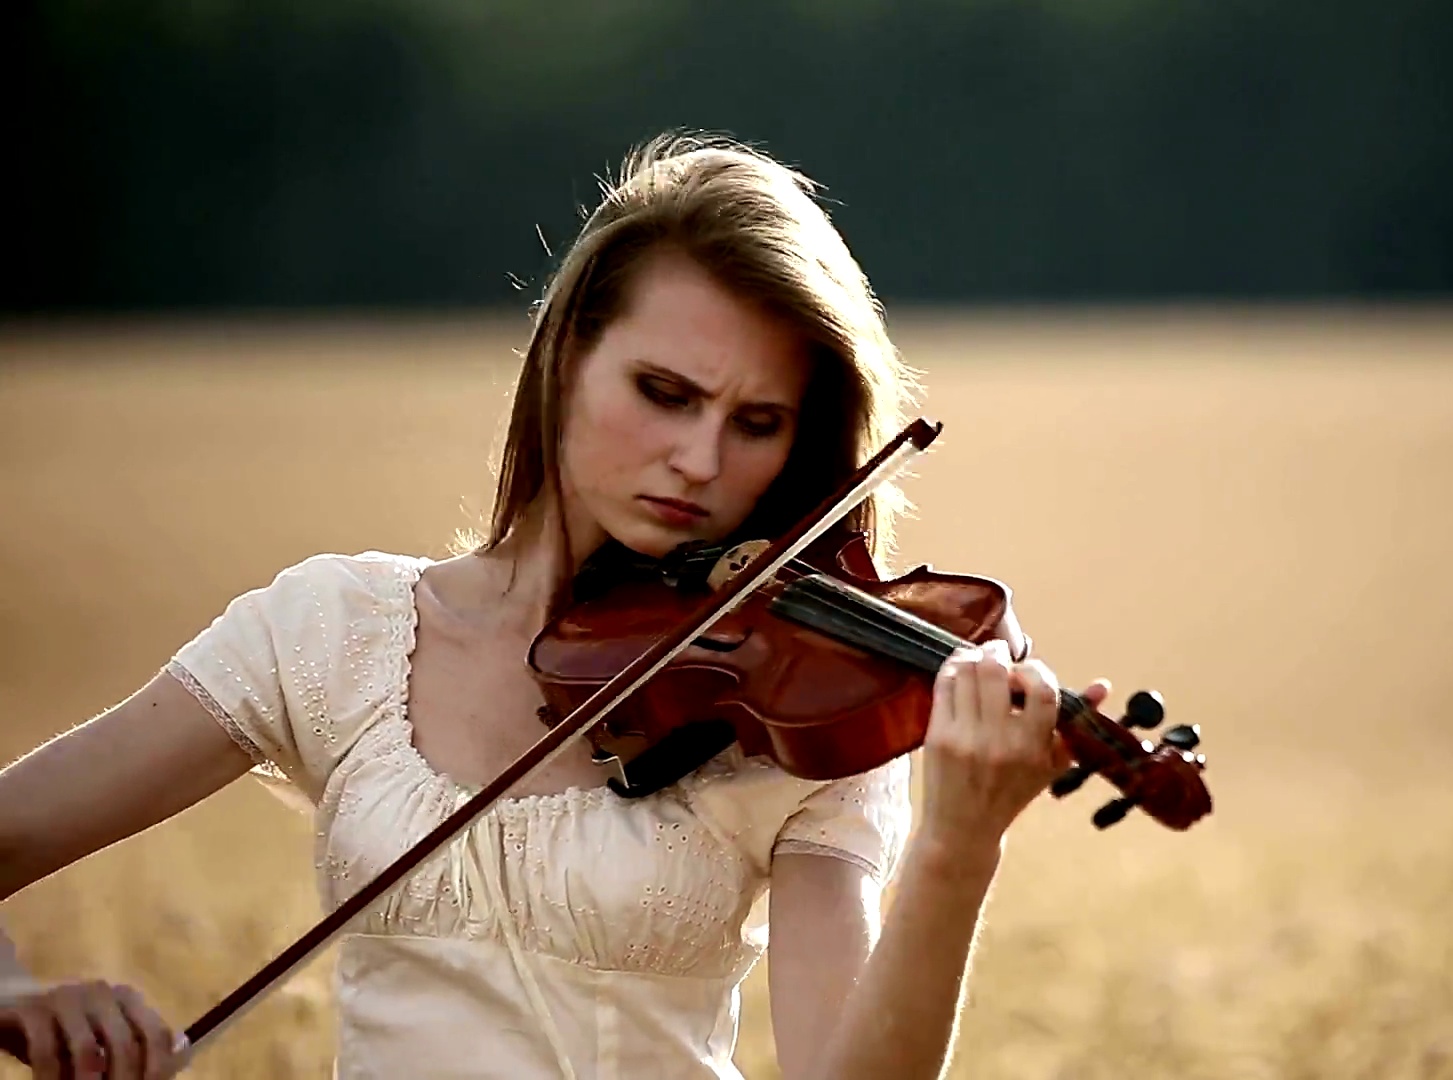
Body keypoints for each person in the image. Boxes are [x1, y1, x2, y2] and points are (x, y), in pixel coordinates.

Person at [0, 132, 1106, 1080]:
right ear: (565, 357)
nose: (699, 459)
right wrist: (16, 993)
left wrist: (959, 850)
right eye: (663, 394)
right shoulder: (332, 632)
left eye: (756, 423)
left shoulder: (794, 717)